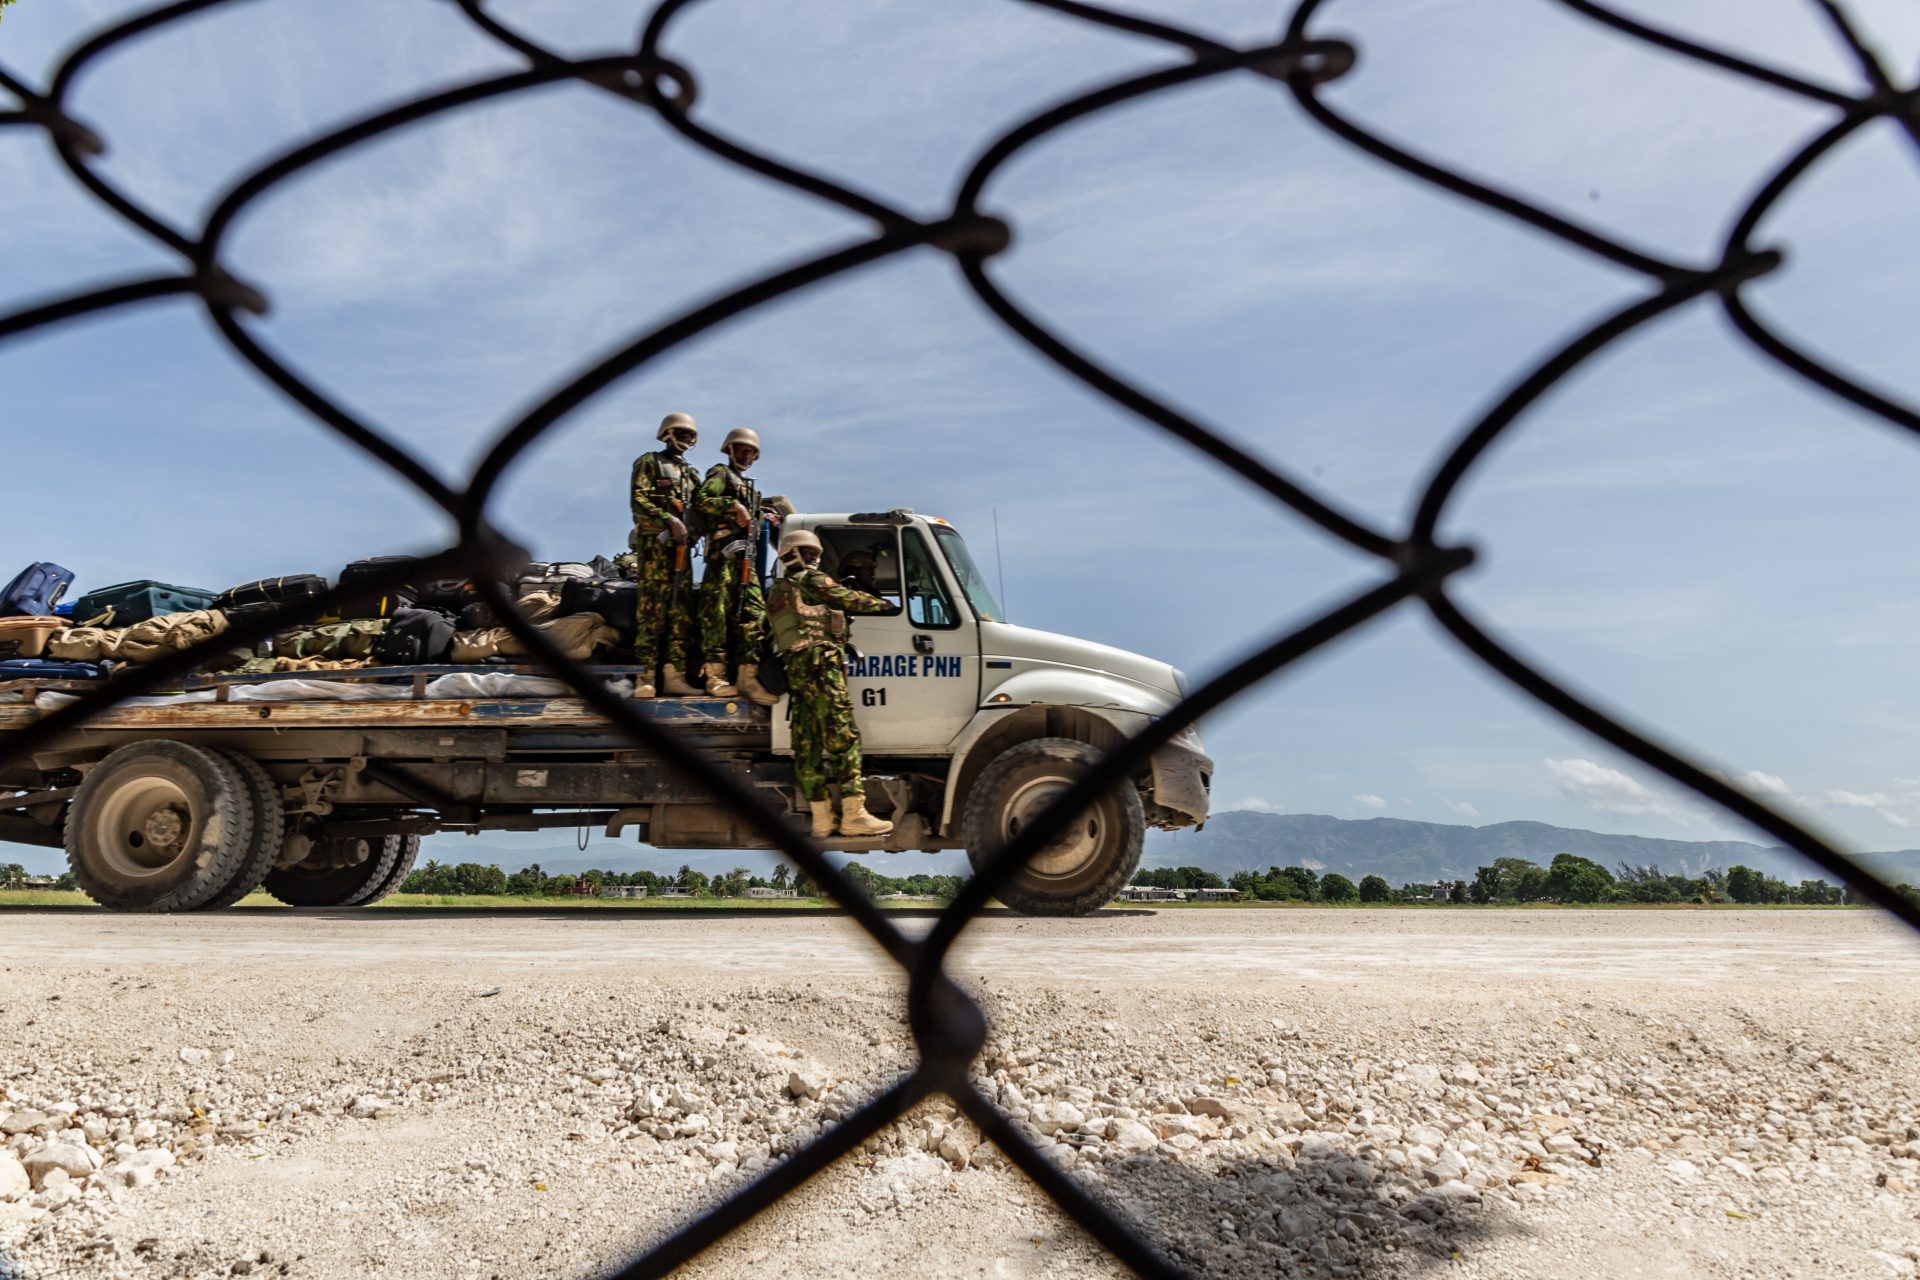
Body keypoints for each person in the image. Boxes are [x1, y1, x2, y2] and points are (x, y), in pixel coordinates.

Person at [766, 528, 894, 838]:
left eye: (815, 554)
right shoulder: (811, 580)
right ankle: (854, 814)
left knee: (806, 742)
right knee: (843, 735)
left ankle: (822, 819)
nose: (814, 559)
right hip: (822, 663)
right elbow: (846, 598)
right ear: (793, 556)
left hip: (796, 667)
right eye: (809, 554)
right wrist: (886, 606)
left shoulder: (778, 591)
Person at [692, 427, 780, 705]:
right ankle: (715, 676)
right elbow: (702, 500)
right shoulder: (720, 473)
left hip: (746, 560)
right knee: (715, 614)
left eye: (752, 452)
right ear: (730, 450)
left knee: (754, 614)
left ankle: (747, 677)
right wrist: (733, 505)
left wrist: (762, 514)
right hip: (723, 557)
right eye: (742, 450)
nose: (747, 456)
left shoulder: (750, 486)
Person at [628, 411, 702, 698]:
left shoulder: (692, 475)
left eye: (690, 435)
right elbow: (638, 499)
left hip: (681, 553)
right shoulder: (650, 462)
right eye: (681, 433)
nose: (686, 440)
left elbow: (701, 509)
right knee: (652, 613)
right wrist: (669, 520)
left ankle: (674, 676)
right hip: (656, 551)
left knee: (680, 613)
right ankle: (645, 677)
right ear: (667, 434)